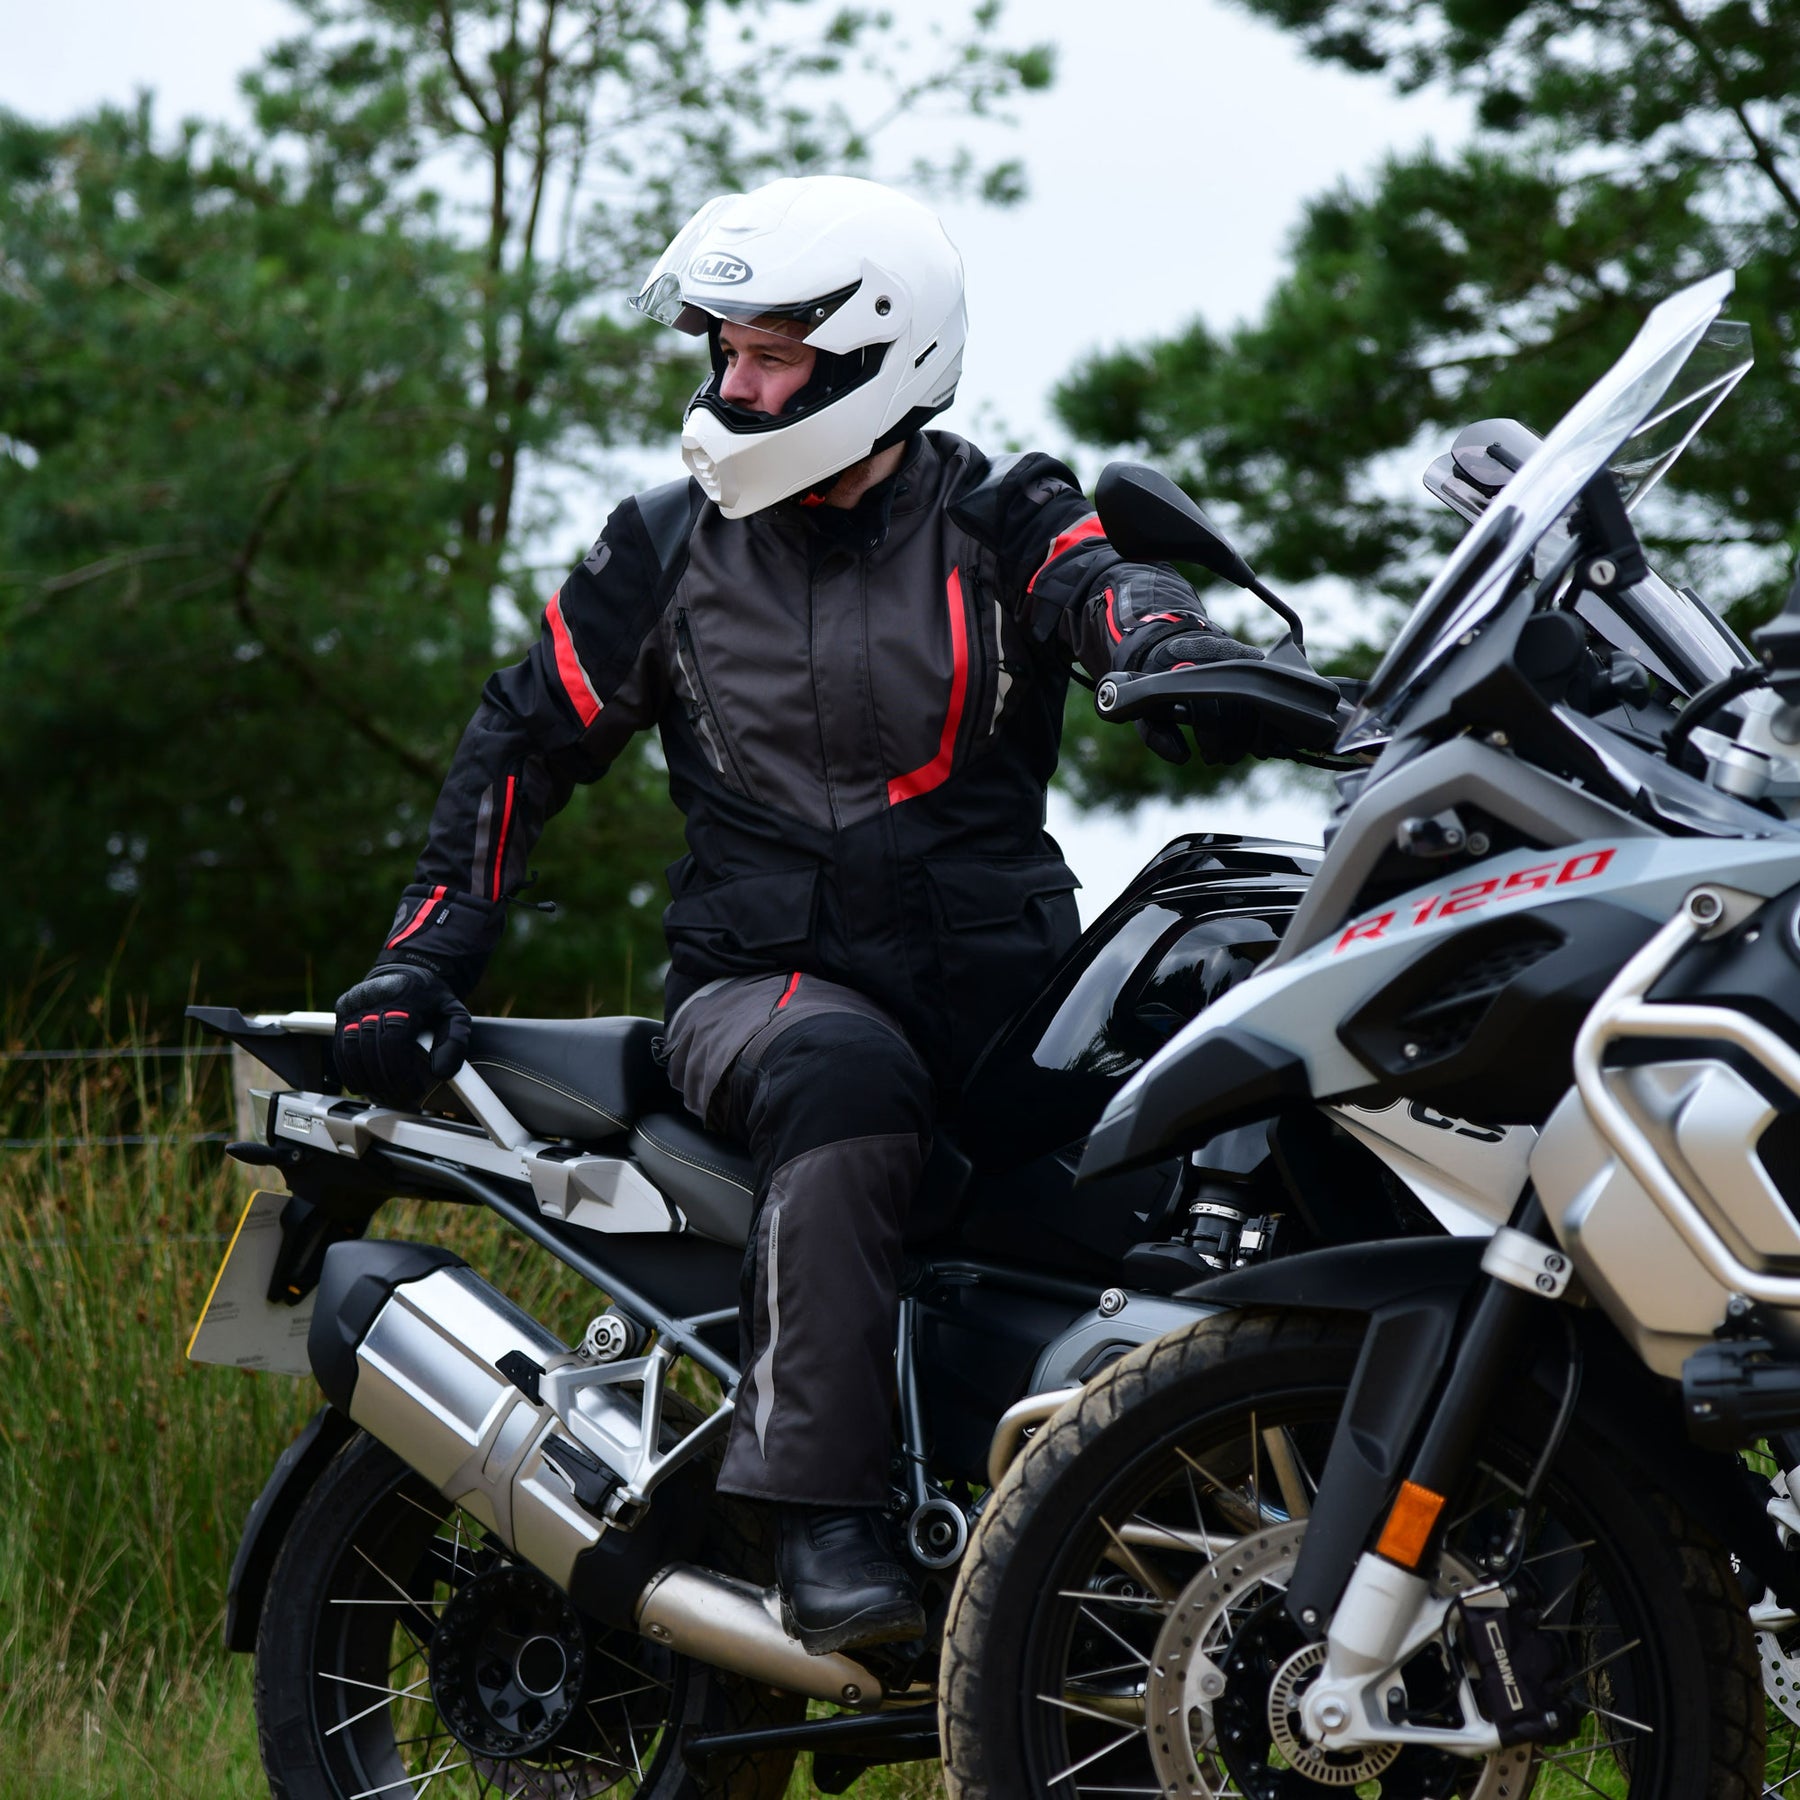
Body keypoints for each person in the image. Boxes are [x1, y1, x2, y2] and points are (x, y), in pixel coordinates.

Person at [333, 175, 1259, 1656]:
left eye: (772, 358)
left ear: (881, 358)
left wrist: (1162, 634)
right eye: (728, 353)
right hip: (761, 995)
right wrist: (420, 954)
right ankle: (811, 1516)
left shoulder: (1002, 512)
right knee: (846, 1069)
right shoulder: (664, 545)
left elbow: (1099, 587)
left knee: (1228, 1086)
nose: (735, 388)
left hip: (1007, 1007)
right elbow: (520, 738)